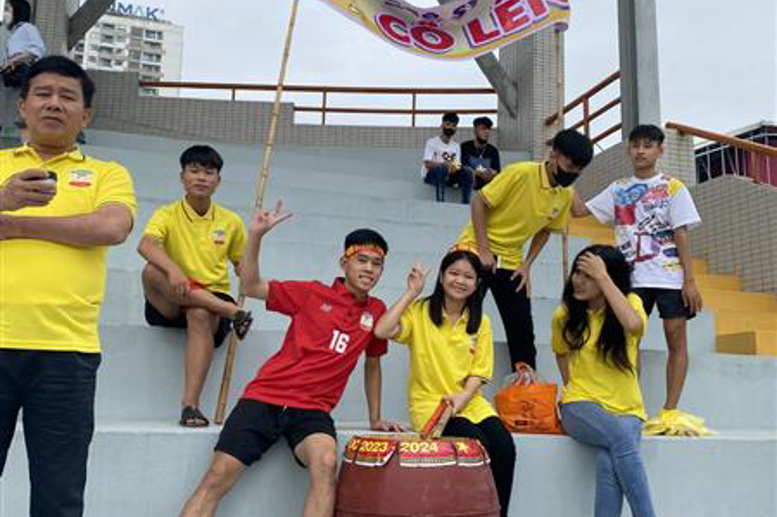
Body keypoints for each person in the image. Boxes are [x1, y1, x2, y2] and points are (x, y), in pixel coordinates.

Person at [179, 203, 401, 517]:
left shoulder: (377, 311)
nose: (369, 269)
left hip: (312, 410)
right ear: (344, 263)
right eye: (361, 260)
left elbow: (373, 363)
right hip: (265, 398)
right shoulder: (312, 293)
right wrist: (256, 236)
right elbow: (250, 286)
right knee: (216, 477)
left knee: (326, 463)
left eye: (377, 264)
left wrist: (375, 417)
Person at [0, 56, 136, 517]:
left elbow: (112, 227)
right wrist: (3, 199)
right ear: (22, 106)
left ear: (86, 115)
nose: (54, 103)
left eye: (68, 96)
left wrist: (14, 226)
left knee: (59, 497)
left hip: (66, 354)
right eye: (43, 93)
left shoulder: (107, 173)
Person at [572, 124, 709, 435]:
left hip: (670, 276)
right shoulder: (618, 188)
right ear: (628, 150)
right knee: (628, 341)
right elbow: (579, 211)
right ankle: (632, 406)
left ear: (660, 150)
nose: (640, 151)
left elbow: (681, 234)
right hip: (631, 278)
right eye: (635, 146)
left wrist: (690, 281)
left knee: (676, 339)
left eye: (648, 146)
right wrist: (566, 175)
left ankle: (670, 411)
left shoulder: (673, 187)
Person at [374, 244, 516, 517]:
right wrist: (412, 292)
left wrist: (462, 398)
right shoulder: (420, 311)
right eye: (454, 273)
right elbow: (382, 330)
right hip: (431, 406)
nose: (460, 280)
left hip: (469, 402)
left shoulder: (481, 322)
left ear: (477, 284)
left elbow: (480, 372)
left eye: (468, 276)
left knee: (504, 446)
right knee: (475, 443)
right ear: (441, 276)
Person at [457, 128, 594, 370]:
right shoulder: (520, 172)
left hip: (512, 260)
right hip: (475, 248)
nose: (572, 173)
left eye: (579, 170)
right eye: (569, 165)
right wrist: (484, 249)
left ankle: (525, 385)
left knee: (522, 329)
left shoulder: (565, 193)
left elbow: (546, 229)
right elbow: (479, 202)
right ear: (554, 154)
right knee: (464, 316)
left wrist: (527, 264)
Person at [138, 145, 253, 428]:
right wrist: (173, 269)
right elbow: (146, 245)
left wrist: (258, 238)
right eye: (194, 171)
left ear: (218, 180)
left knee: (199, 312)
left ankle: (190, 405)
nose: (201, 177)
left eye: (209, 172)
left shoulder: (231, 221)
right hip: (172, 297)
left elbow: (243, 268)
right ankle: (231, 312)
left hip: (210, 300)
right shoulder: (167, 214)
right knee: (151, 271)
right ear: (182, 177)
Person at [553, 245, 655, 517]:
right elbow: (560, 353)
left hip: (628, 409)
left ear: (609, 277)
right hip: (580, 405)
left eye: (588, 275)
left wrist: (603, 277)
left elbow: (633, 326)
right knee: (621, 439)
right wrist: (572, 386)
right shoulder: (565, 315)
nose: (578, 280)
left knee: (608, 460)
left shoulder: (631, 304)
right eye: (577, 273)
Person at [1, 0, 45, 138]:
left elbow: (38, 49)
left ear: (17, 12)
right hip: (10, 74)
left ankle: (12, 137)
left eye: (8, 10)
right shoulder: (14, 32)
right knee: (9, 108)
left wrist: (13, 60)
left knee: (16, 109)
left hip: (19, 73)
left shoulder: (27, 28)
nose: (4, 13)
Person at [421, 112, 472, 204]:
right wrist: (444, 165)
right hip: (432, 176)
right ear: (442, 125)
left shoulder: (456, 146)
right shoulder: (432, 142)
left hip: (449, 175)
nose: (450, 128)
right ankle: (440, 203)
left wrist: (454, 168)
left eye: (453, 126)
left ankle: (465, 204)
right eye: (448, 124)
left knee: (467, 171)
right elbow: (427, 164)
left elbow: (457, 165)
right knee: (442, 168)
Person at [460, 116, 501, 190]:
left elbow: (497, 171)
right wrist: (478, 173)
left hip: (487, 189)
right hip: (469, 187)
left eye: (488, 129)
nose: (487, 132)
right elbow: (462, 167)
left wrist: (492, 172)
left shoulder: (493, 150)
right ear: (475, 131)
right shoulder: (465, 147)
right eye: (483, 129)